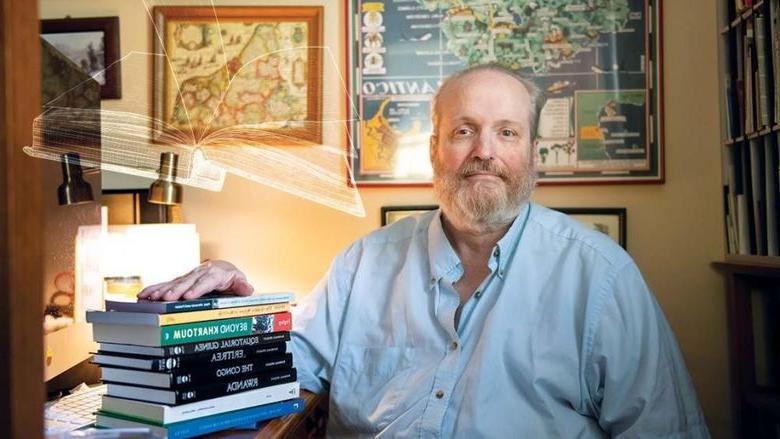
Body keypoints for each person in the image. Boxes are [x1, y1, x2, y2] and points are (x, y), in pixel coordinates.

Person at [138, 64, 709, 438]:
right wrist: (229, 311)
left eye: (506, 133)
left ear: (536, 153)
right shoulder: (363, 264)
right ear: (433, 150)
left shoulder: (601, 277)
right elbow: (274, 370)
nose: (484, 152)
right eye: (464, 131)